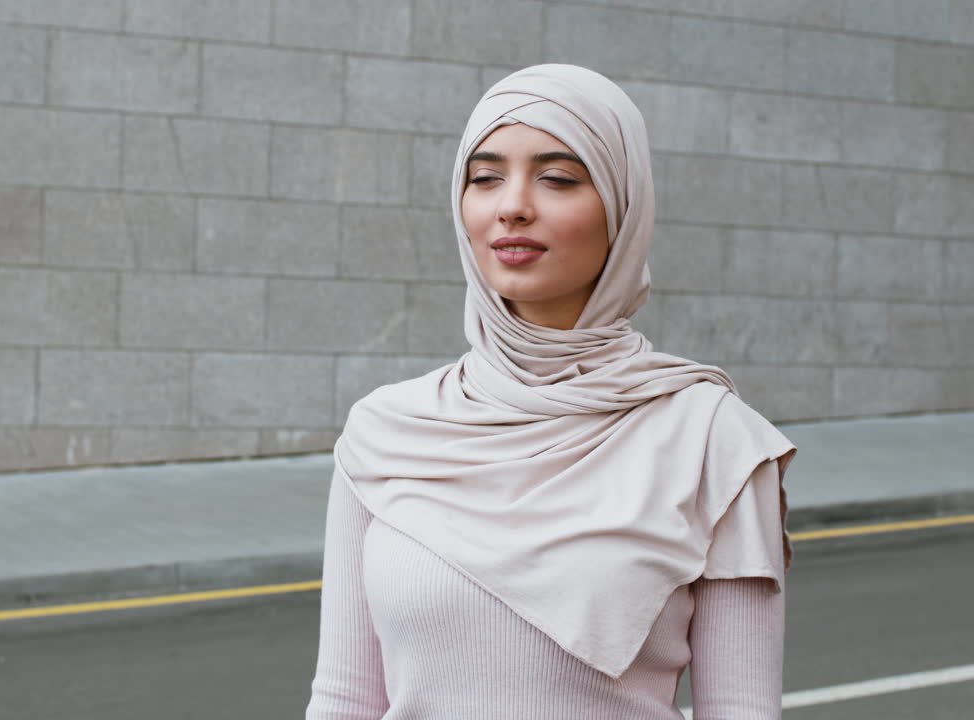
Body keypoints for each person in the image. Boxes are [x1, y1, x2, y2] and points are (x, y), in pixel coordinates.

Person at [306, 64, 795, 719]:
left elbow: (741, 709)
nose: (511, 205)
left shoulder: (715, 441)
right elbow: (345, 699)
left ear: (622, 205)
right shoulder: (386, 432)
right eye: (484, 178)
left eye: (558, 177)